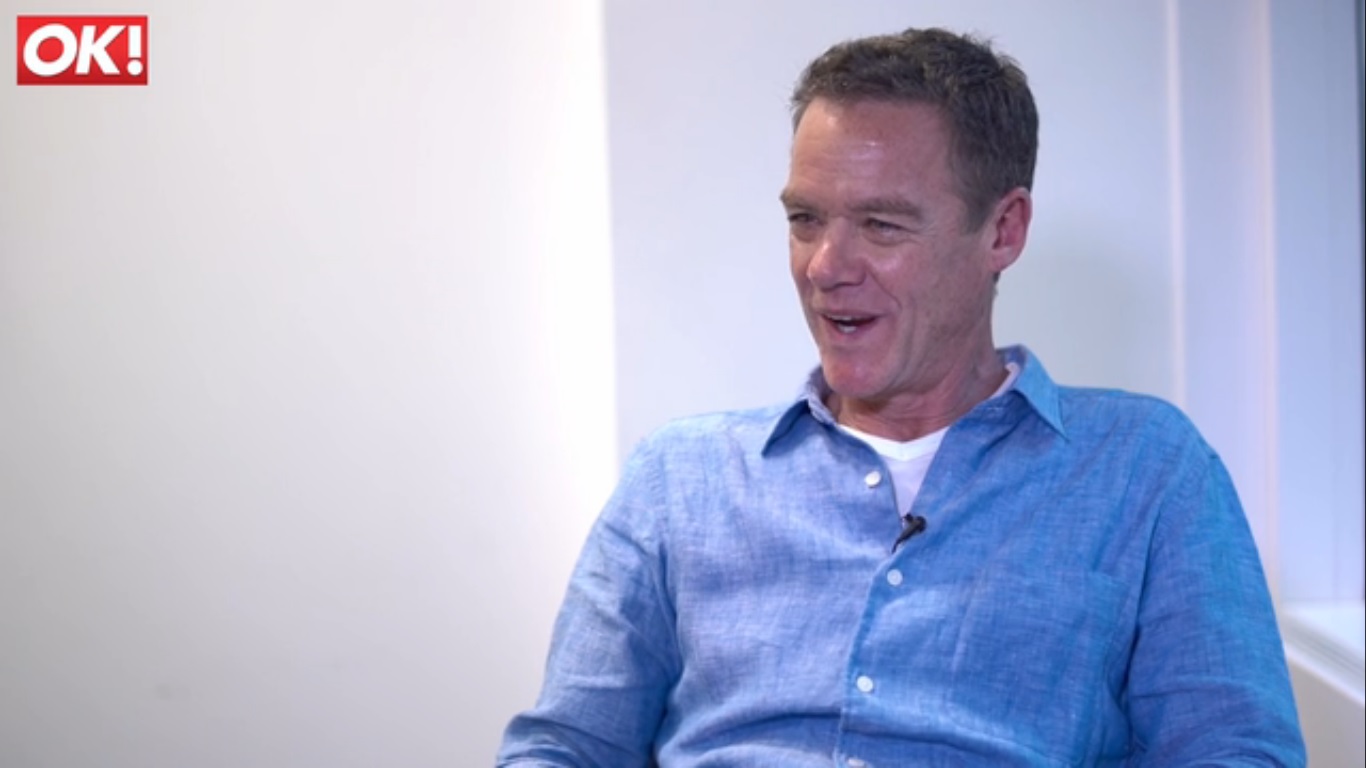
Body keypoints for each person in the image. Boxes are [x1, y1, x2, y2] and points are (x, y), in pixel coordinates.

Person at [497, 27, 1305, 767]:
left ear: (1003, 231)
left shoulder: (1146, 471)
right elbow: (563, 748)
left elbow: (1236, 754)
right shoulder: (680, 478)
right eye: (805, 219)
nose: (825, 266)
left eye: (881, 226)